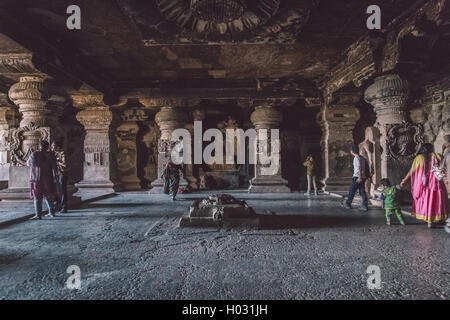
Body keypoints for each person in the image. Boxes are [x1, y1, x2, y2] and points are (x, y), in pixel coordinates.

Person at [400, 143, 449, 228]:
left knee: (427, 201)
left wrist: (404, 180)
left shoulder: (419, 158)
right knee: (437, 200)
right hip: (436, 183)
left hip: (423, 184)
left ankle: (429, 221)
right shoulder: (437, 156)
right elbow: (443, 169)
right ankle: (439, 218)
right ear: (432, 149)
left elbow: (412, 171)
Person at [27, 140, 58, 219]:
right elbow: (55, 166)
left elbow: (29, 163)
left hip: (37, 177)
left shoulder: (35, 154)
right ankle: (51, 212)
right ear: (47, 146)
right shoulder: (51, 155)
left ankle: (38, 214)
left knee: (37, 196)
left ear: (39, 146)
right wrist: (56, 176)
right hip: (48, 177)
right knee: (49, 195)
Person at [344, 145, 369, 211]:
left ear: (352, 151)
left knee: (352, 191)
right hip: (363, 177)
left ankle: (348, 204)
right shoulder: (362, 158)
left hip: (357, 177)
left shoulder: (356, 158)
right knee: (362, 191)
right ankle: (364, 205)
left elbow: (359, 167)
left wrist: (359, 177)